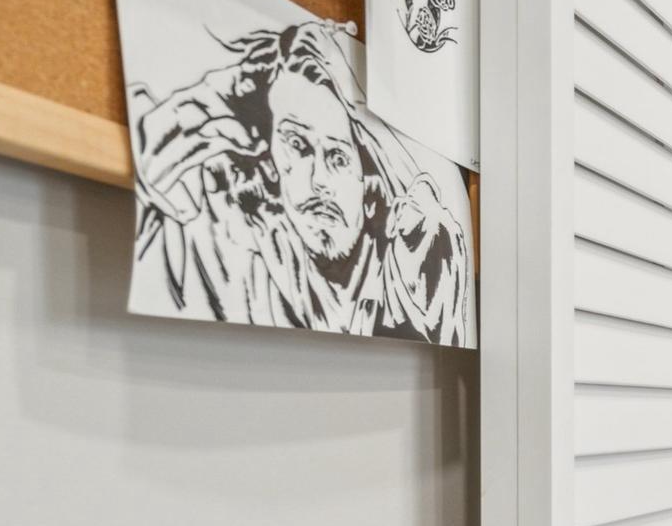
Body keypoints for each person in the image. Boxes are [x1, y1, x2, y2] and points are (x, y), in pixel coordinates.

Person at [128, 20, 472, 346]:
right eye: (297, 145)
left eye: (338, 157)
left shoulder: (411, 262)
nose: (318, 180)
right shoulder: (243, 245)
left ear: (366, 181)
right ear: (271, 157)